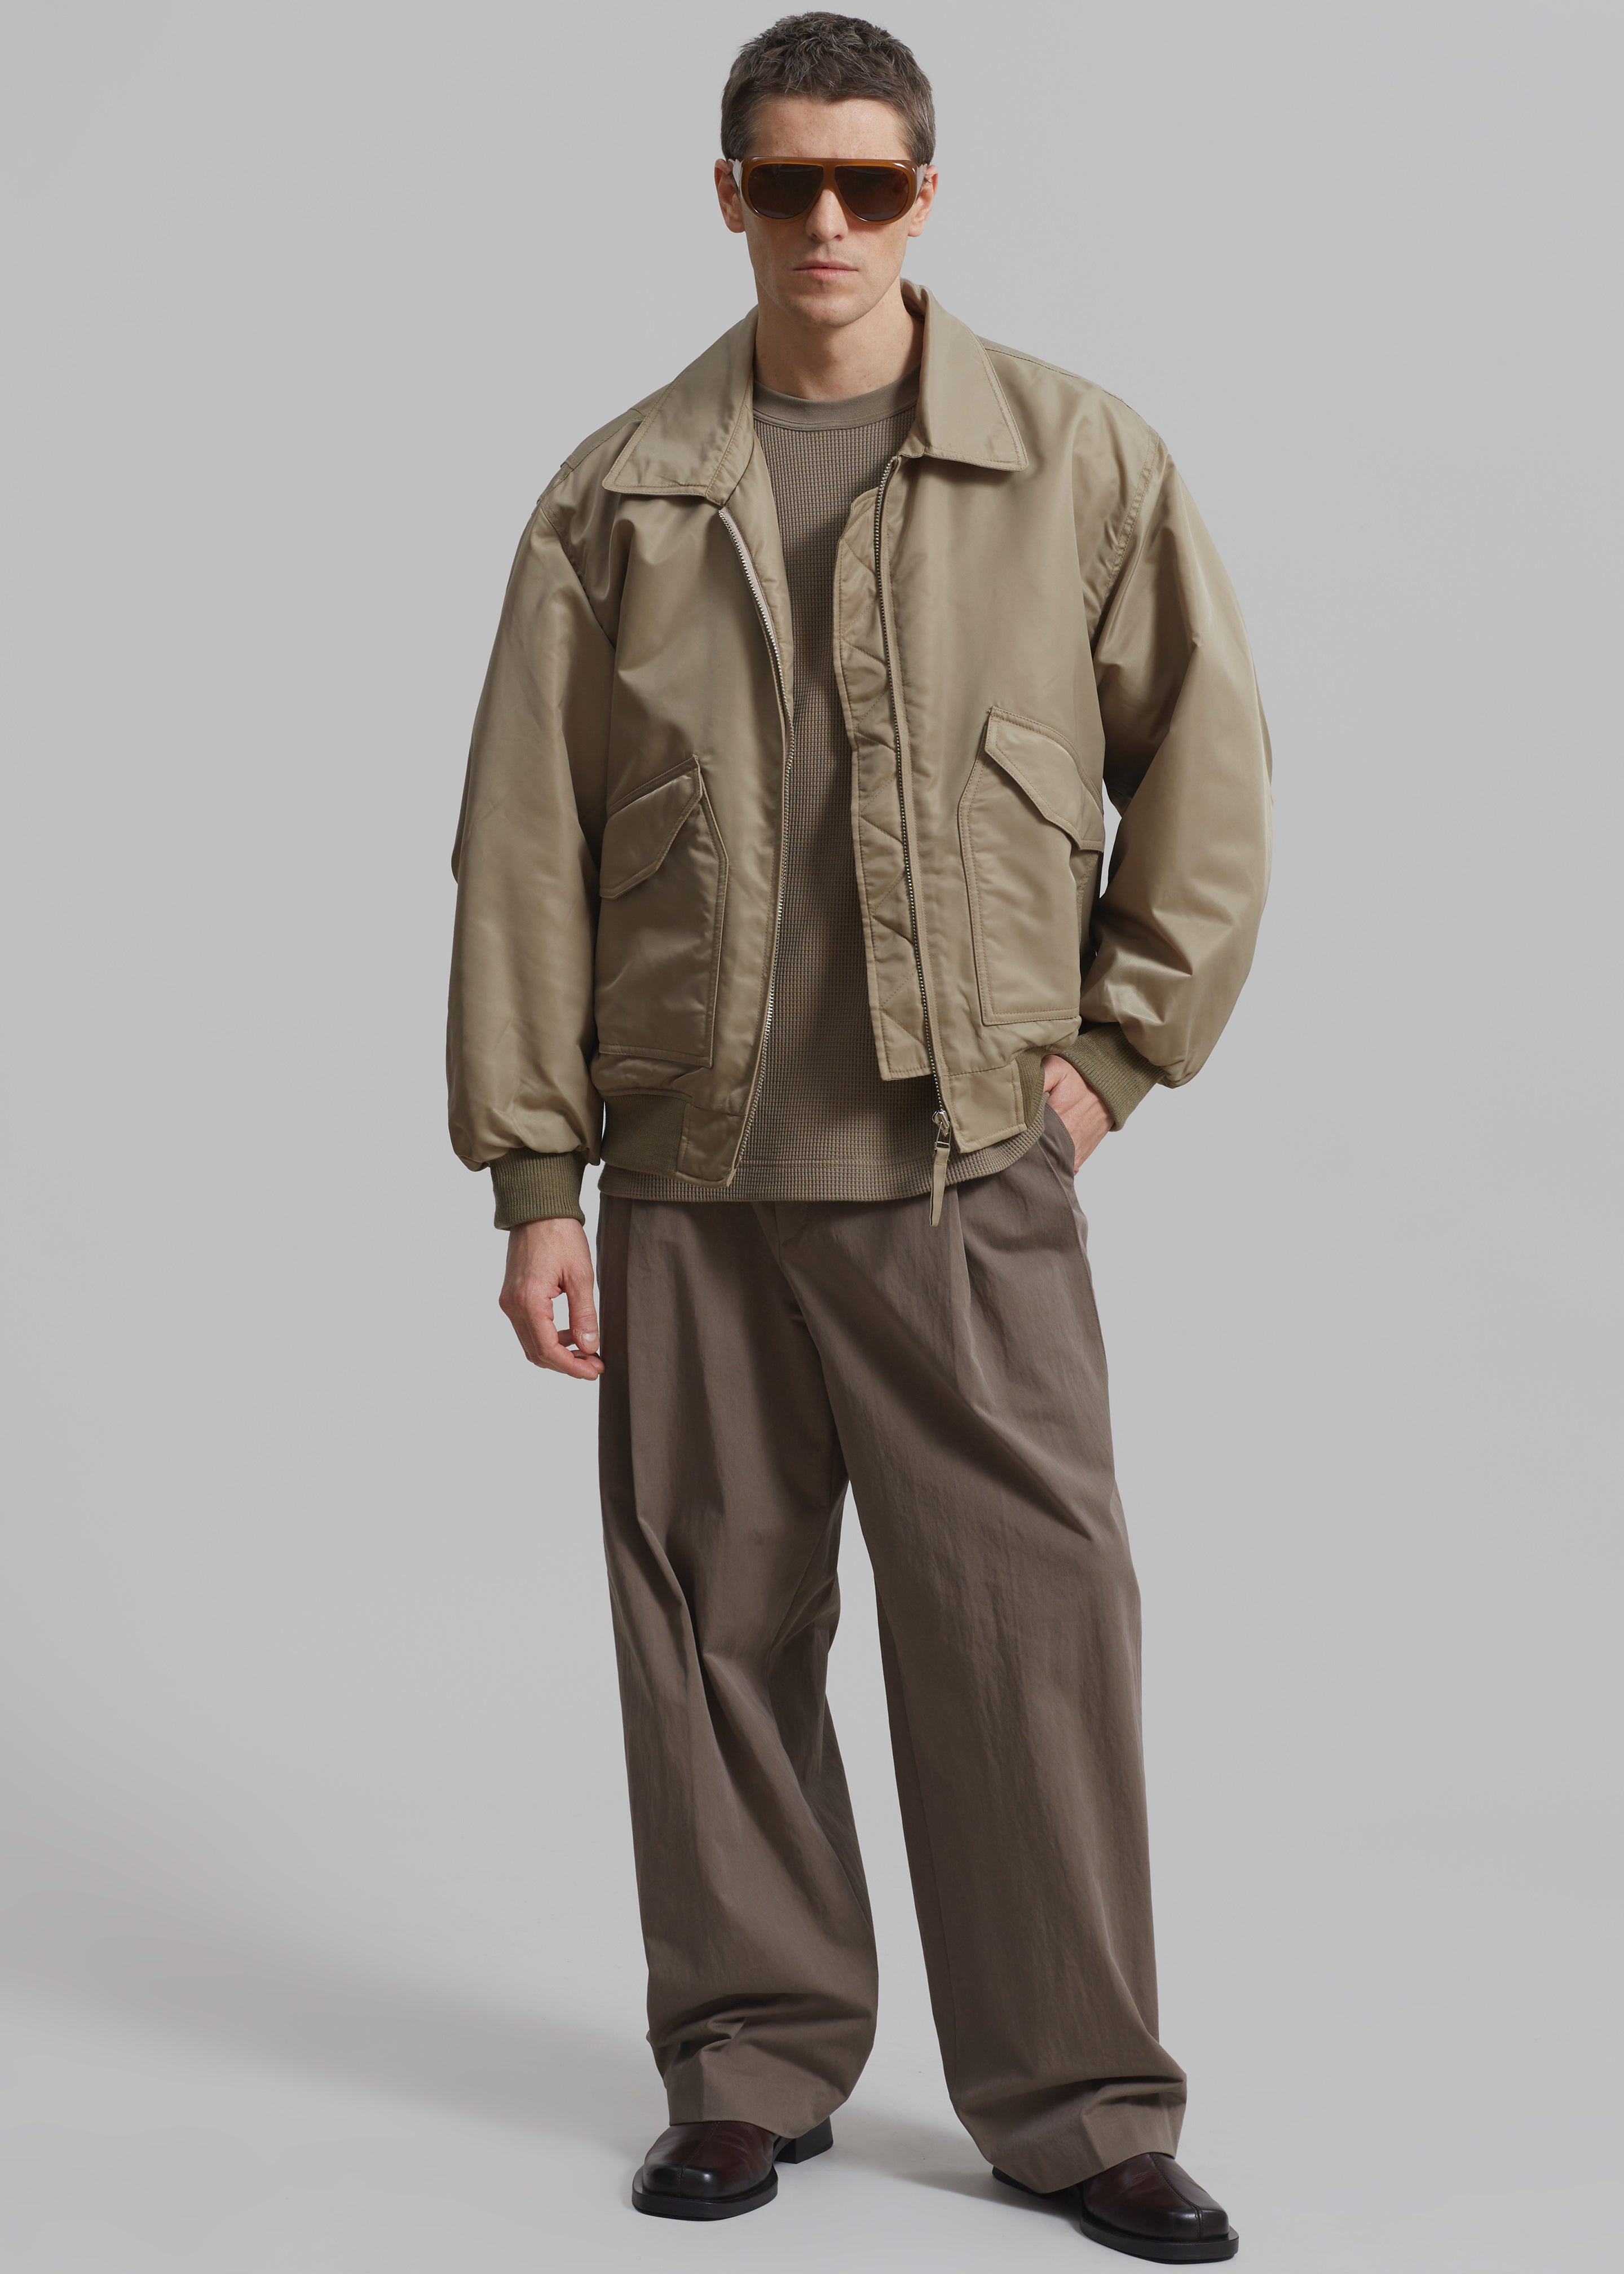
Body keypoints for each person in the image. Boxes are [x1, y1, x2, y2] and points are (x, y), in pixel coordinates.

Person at [446, 12, 1270, 2260]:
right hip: (691, 1174)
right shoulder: (618, 495)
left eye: (869, 184)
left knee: (1030, 1634)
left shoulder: (1074, 459)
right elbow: (526, 847)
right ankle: (747, 2064)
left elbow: (1208, 769)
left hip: (963, 1164)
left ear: (925, 197)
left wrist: (1115, 1056)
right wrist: (534, 1180)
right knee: (713, 1635)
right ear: (728, 196)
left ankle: (1080, 2106)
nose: (829, 221)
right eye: (788, 182)